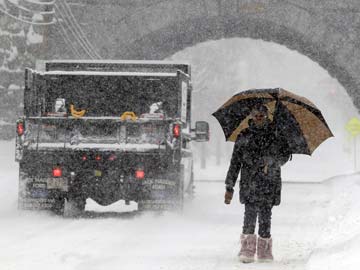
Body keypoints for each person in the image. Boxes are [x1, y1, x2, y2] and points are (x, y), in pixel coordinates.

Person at [224, 103, 291, 263]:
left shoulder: (276, 134)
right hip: (249, 181)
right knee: (250, 213)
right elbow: (235, 162)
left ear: (267, 116)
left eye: (261, 115)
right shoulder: (244, 135)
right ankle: (247, 249)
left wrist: (271, 162)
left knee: (266, 215)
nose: (258, 118)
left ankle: (264, 250)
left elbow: (285, 156)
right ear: (251, 117)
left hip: (270, 181)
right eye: (256, 115)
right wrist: (229, 186)